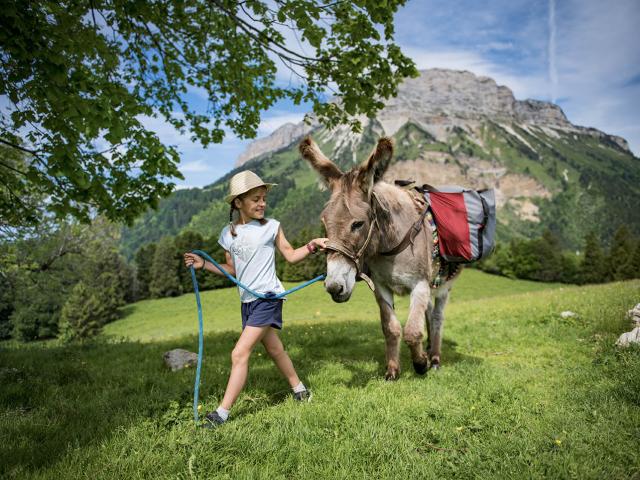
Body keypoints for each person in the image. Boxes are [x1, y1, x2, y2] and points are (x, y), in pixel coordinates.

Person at [183, 170, 328, 429]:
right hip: (248, 301)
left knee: (239, 353)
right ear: (238, 203)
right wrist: (204, 264)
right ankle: (300, 390)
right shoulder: (228, 235)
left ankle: (221, 414)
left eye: (263, 198)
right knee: (274, 349)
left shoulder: (272, 227)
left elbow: (291, 255)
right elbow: (233, 271)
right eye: (255, 199)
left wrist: (312, 245)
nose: (262, 203)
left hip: (268, 297)